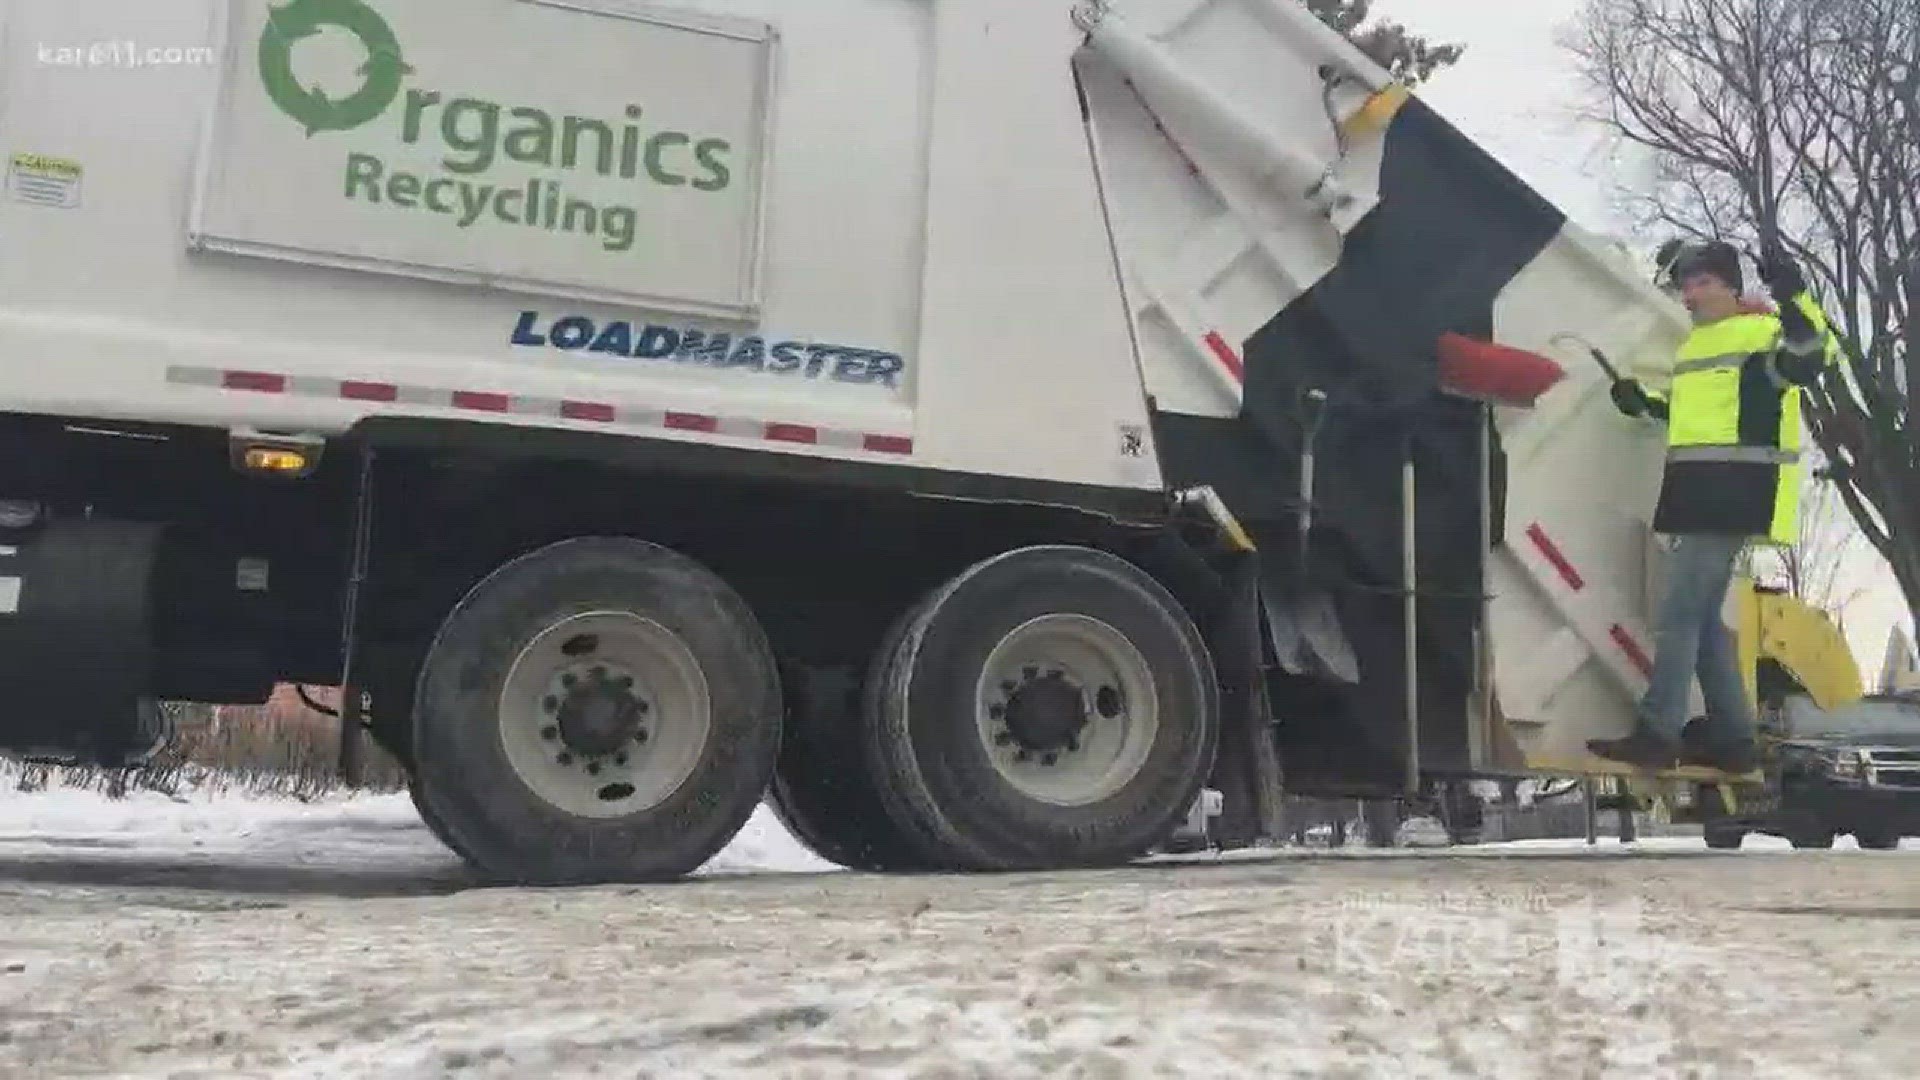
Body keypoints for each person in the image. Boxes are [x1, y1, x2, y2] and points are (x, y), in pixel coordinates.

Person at [1587, 239, 1839, 773]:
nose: (1691, 295)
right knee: (1698, 621)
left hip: (1733, 491)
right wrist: (1646, 404)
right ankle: (1733, 740)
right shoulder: (1696, 346)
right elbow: (1693, 416)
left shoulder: (1763, 334)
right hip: (1696, 489)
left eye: (1702, 283)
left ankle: (1658, 733)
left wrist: (1793, 295)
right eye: (1687, 286)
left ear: (1730, 286)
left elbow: (1815, 351)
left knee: (1679, 615)